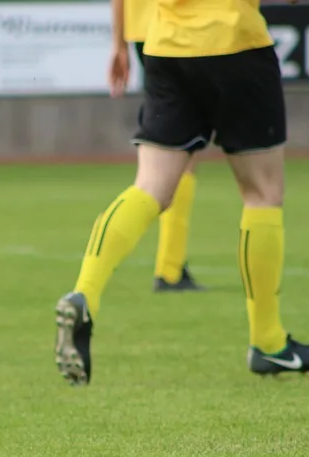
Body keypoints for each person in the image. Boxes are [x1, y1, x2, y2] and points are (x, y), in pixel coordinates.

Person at [54, 0, 309, 385]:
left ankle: (85, 293)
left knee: (150, 186)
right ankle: (268, 343)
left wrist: (119, 42)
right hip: (234, 41)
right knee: (262, 193)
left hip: (166, 45)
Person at [109, 0, 205, 292]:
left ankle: (171, 265)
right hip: (179, 28)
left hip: (143, 30)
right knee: (182, 153)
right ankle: (170, 268)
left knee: (176, 151)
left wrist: (120, 45)